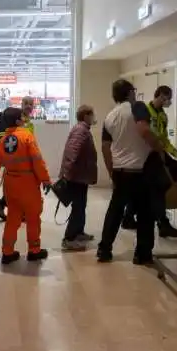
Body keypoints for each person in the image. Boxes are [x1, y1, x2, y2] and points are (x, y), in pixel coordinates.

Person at [97, 80, 164, 265]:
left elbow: (105, 147)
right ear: (130, 92)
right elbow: (143, 129)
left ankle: (104, 250)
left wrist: (112, 172)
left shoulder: (110, 116)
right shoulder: (138, 107)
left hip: (120, 171)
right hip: (140, 171)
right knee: (145, 213)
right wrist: (158, 146)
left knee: (115, 211)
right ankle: (142, 254)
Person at [0, 107, 50, 264]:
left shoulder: (2, 141)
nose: (24, 118)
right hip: (28, 184)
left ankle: (7, 252)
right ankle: (34, 250)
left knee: (12, 218)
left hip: (10, 184)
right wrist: (45, 179)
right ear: (18, 120)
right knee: (32, 218)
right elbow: (37, 160)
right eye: (22, 117)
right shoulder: (26, 136)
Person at [122, 86, 177, 238]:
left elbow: (164, 139)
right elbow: (146, 135)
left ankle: (130, 217)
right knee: (154, 188)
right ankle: (161, 222)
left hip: (159, 152)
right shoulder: (145, 111)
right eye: (167, 97)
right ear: (160, 95)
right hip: (147, 155)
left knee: (151, 188)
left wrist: (175, 153)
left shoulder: (163, 116)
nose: (169, 101)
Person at [0, 96, 36, 220]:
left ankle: (1, 206)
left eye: (31, 104)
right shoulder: (17, 119)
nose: (28, 106)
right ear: (21, 104)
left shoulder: (28, 122)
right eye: (26, 103)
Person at [58, 104, 98, 251]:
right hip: (76, 176)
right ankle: (69, 238)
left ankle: (79, 232)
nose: (94, 117)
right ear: (86, 116)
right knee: (78, 207)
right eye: (92, 114)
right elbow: (72, 152)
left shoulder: (82, 129)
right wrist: (67, 174)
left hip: (81, 176)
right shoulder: (81, 130)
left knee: (81, 205)